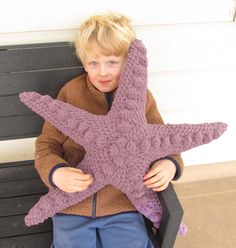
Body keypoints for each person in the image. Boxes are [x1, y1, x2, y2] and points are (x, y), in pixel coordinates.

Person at [35, 12, 184, 248]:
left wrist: (169, 164)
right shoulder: (71, 93)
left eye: (112, 62)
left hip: (122, 201)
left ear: (128, 62)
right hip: (73, 200)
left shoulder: (140, 98)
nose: (102, 72)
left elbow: (163, 140)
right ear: (84, 63)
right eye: (94, 63)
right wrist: (56, 172)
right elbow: (47, 144)